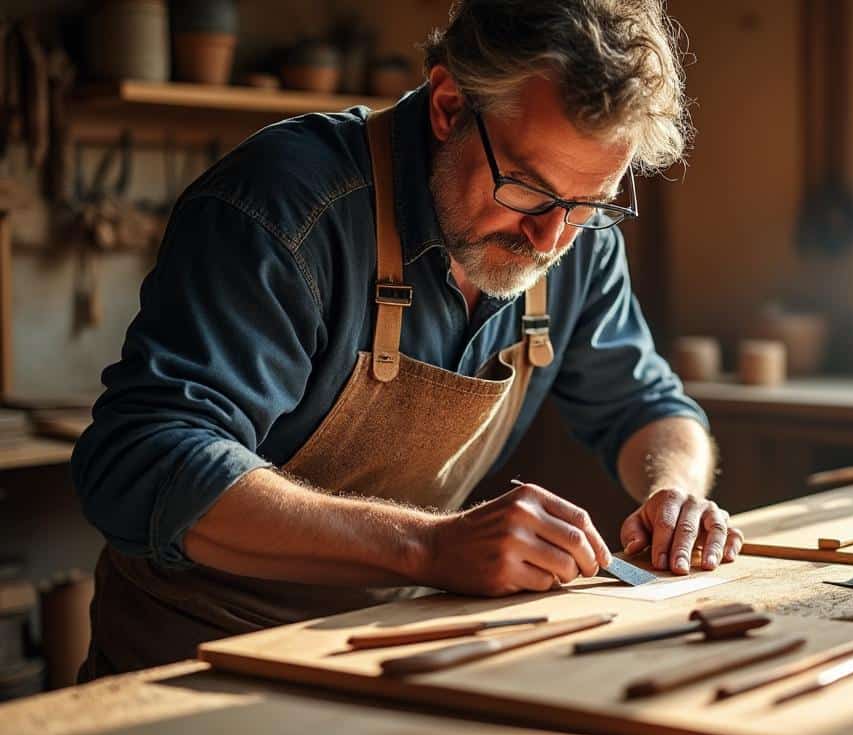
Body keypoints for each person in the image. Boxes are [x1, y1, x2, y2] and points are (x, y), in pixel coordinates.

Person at [72, 0, 742, 678]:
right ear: (449, 104)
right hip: (198, 660)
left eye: (588, 203)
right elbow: (146, 461)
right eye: (526, 189)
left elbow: (645, 404)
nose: (549, 240)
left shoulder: (574, 236)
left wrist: (675, 492)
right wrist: (428, 548)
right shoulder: (284, 203)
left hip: (388, 648)